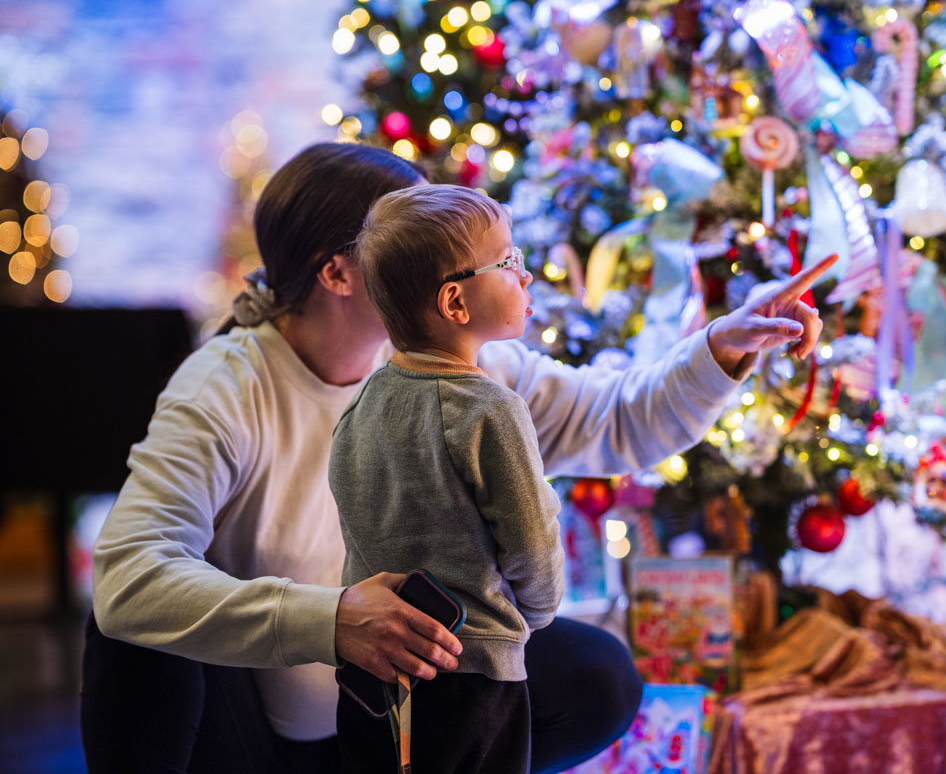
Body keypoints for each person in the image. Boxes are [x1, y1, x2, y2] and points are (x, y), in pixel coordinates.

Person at [82, 140, 834, 774]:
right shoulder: (227, 385)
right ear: (339, 273)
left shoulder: (459, 364)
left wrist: (723, 348)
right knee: (131, 634)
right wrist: (330, 619)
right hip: (260, 736)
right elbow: (129, 579)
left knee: (595, 675)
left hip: (407, 719)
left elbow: (617, 419)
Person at [331, 184, 565, 772]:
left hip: (374, 680)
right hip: (473, 677)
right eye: (509, 262)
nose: (526, 276)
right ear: (456, 303)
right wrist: (535, 616)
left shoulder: (362, 405)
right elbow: (532, 544)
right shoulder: (489, 409)